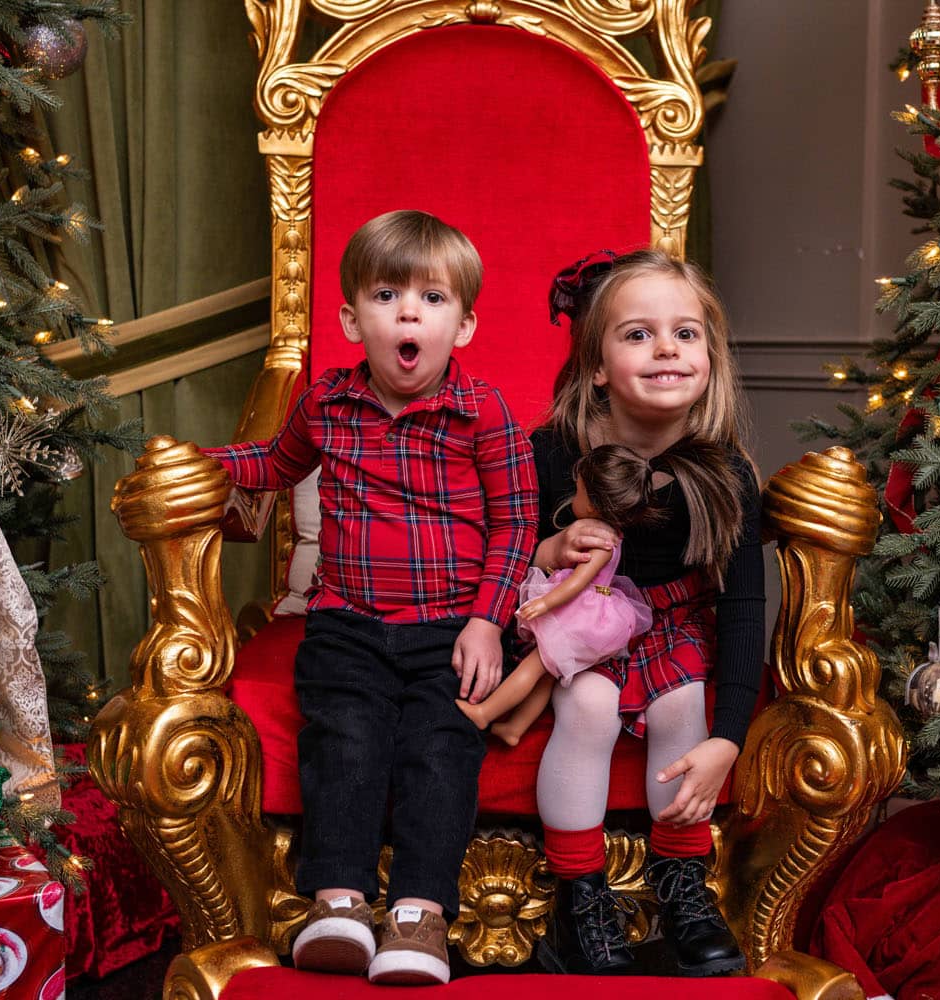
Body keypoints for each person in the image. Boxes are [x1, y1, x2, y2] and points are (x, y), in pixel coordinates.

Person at [202, 210, 538, 986]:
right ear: (354, 320)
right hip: (347, 627)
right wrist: (196, 463)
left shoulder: (482, 413)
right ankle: (341, 905)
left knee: (439, 749)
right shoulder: (328, 405)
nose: (410, 313)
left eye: (433, 298)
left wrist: (488, 622)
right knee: (344, 743)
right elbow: (273, 464)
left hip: (452, 628)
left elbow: (517, 522)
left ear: (466, 323)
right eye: (388, 296)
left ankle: (419, 915)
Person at [530, 249, 764, 977]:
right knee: (591, 706)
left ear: (710, 356)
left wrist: (728, 739)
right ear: (597, 365)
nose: (666, 348)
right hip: (578, 620)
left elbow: (744, 609)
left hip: (670, 625)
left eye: (686, 333)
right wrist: (551, 548)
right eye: (637, 334)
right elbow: (499, 557)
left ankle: (681, 886)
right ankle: (581, 895)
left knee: (682, 704)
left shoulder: (726, 474)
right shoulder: (551, 452)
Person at [454, 444, 657, 744]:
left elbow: (578, 582)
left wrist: (545, 602)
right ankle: (514, 729)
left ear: (593, 505)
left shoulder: (600, 541)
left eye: (579, 493)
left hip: (580, 616)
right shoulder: (606, 532)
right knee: (546, 674)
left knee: (532, 667)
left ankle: (485, 712)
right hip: (583, 612)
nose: (574, 498)